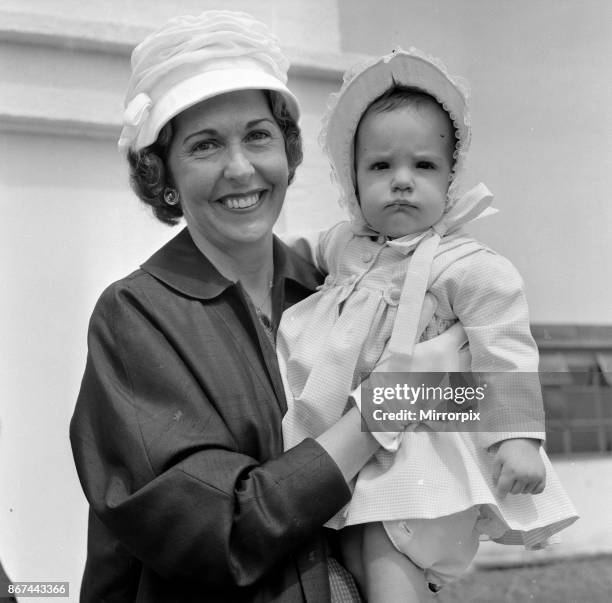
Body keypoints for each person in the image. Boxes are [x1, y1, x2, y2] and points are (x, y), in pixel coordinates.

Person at [69, 11, 391, 602]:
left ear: (289, 150)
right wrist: (383, 413)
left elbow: (458, 417)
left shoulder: (336, 285)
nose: (240, 168)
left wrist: (461, 373)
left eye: (258, 135)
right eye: (205, 144)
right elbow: (221, 530)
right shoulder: (135, 318)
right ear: (162, 174)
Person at [279, 48, 578, 601]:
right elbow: (288, 255)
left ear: (450, 177)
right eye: (379, 166)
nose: (400, 181)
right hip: (356, 449)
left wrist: (517, 438)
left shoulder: (464, 264)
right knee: (354, 549)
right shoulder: (345, 243)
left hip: (422, 448)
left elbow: (503, 347)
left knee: (388, 547)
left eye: (423, 166)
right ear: (352, 178)